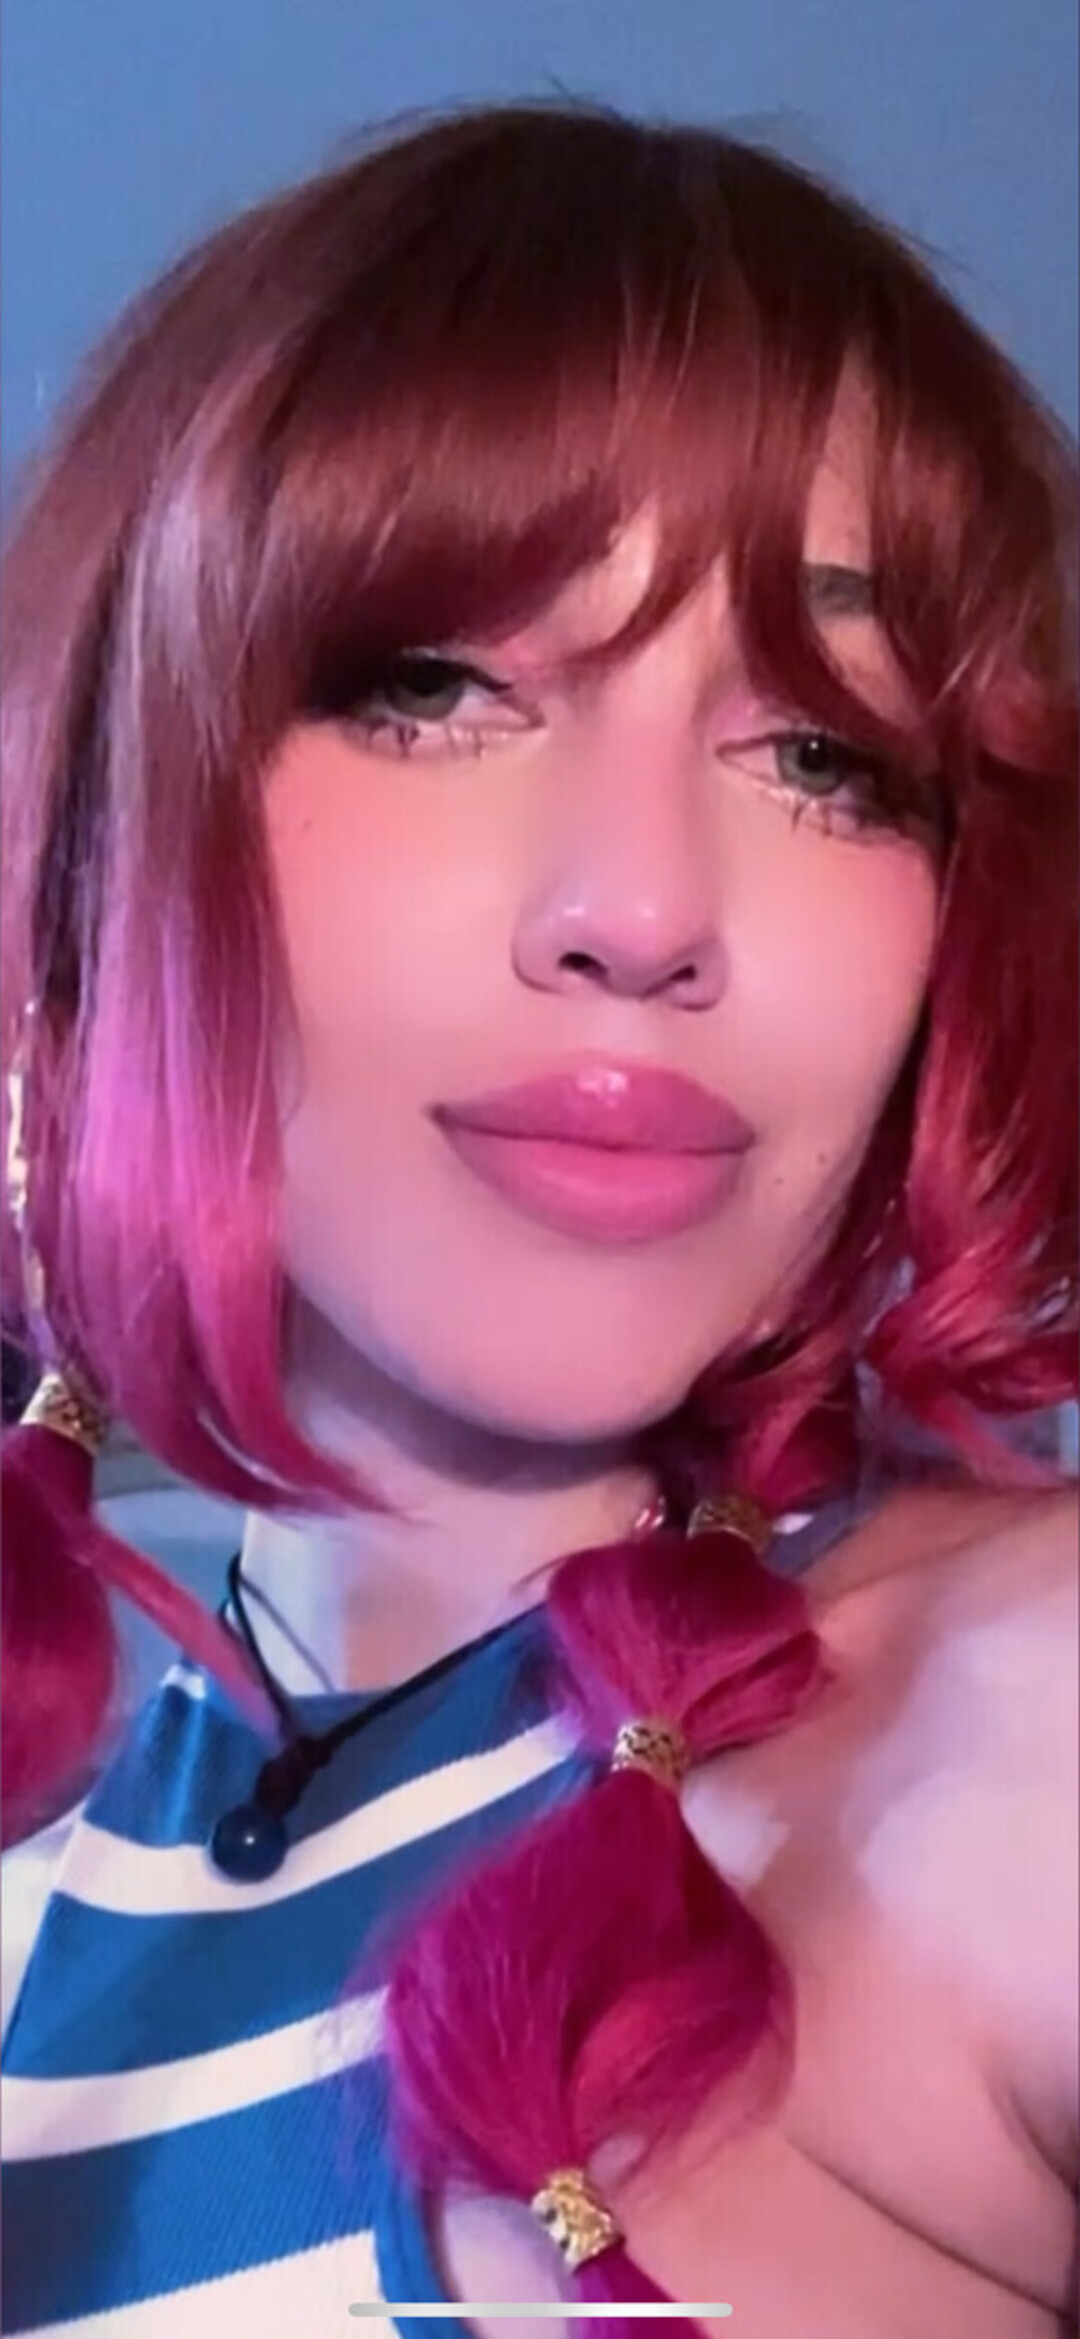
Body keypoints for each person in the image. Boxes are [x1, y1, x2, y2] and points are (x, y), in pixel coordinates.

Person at [0, 98, 1076, 2339]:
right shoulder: (46, 1848)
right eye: (438, 691)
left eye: (826, 754)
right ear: (103, 826)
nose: (645, 909)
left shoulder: (1017, 1728)